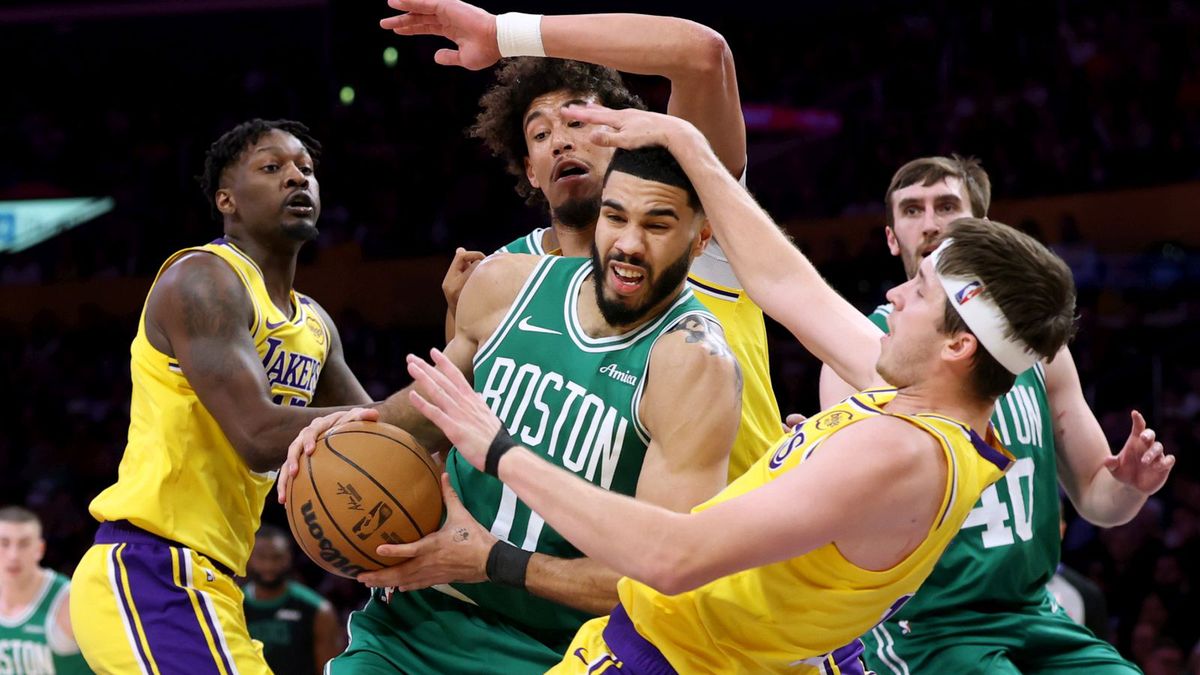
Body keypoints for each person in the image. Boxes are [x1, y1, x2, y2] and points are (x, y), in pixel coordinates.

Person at [396, 109, 1090, 671]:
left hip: (675, 659)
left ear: (959, 343)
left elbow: (673, 557)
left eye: (919, 292)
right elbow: (787, 285)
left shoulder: (897, 451)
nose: (894, 294)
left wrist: (500, 449)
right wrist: (689, 145)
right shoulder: (925, 401)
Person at [281, 145, 742, 673]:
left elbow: (662, 583)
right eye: (615, 217)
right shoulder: (506, 286)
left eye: (657, 225)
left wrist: (493, 562)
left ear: (701, 236)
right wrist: (339, 433)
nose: (629, 244)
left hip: (557, 651)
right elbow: (425, 416)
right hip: (415, 622)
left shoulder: (694, 365)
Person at [389, 0, 783, 480]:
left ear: (623, 131)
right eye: (540, 134)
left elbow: (702, 54)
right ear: (531, 170)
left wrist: (502, 34)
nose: (560, 140)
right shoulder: (503, 278)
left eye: (577, 122)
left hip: (753, 534)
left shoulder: (689, 218)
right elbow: (461, 432)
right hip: (599, 546)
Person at [817, 156, 1171, 674]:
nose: (932, 223)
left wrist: (1132, 485)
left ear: (981, 229)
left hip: (1032, 609)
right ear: (892, 238)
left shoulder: (1039, 349)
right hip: (926, 623)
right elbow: (847, 510)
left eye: (947, 206)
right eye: (912, 210)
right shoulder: (867, 349)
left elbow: (1099, 499)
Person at [70, 119, 371, 674]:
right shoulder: (203, 279)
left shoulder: (315, 325)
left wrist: (461, 339)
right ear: (225, 199)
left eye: (306, 169)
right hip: (152, 569)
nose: (296, 179)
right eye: (272, 168)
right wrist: (408, 408)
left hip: (216, 583)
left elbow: (377, 443)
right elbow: (258, 435)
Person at [0, 507, 90, 674]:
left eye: (24, 544)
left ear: (40, 549)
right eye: (4, 543)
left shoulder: (68, 601)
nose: (13, 555)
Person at [243, 525, 341, 675]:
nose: (269, 565)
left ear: (289, 557)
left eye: (277, 557)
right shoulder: (234, 604)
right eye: (262, 557)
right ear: (249, 557)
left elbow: (330, 670)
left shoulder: (318, 609)